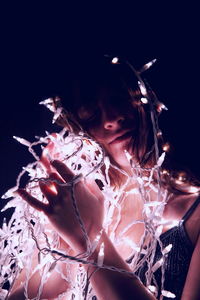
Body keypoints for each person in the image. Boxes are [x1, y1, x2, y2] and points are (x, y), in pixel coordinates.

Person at [3, 56, 200, 300]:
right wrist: (61, 251)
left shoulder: (195, 215)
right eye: (92, 114)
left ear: (151, 102)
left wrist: (88, 237)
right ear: (78, 130)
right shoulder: (82, 207)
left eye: (119, 100)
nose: (110, 119)